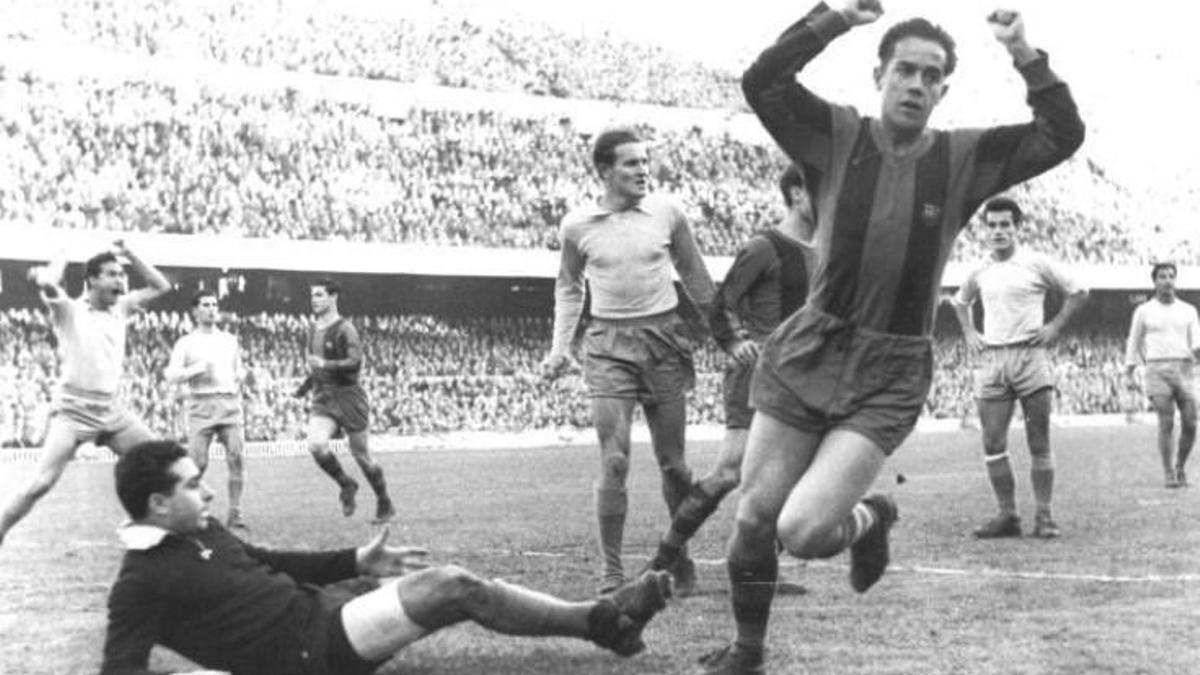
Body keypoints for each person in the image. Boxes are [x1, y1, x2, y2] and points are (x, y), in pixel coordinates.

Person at [701, 2, 1085, 672]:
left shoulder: (963, 156)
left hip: (890, 366)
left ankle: (869, 518)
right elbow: (762, 81)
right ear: (879, 74)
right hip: (810, 350)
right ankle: (748, 650)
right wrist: (835, 16)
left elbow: (1061, 133)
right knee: (754, 520)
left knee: (804, 530)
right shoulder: (834, 135)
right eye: (904, 69)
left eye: (930, 75)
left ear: (943, 90)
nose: (915, 83)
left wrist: (1023, 50)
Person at [99, 440, 674, 675]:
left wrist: (356, 559)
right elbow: (119, 668)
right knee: (453, 586)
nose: (205, 493)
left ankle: (610, 625)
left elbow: (269, 559)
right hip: (311, 651)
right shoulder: (140, 581)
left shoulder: (203, 529)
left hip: (323, 611)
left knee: (451, 593)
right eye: (192, 485)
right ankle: (602, 619)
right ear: (156, 502)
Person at [542, 127, 717, 595]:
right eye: (631, 163)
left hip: (663, 339)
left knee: (674, 467)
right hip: (607, 344)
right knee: (614, 460)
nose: (643, 170)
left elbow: (696, 276)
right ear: (604, 171)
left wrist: (729, 333)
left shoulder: (667, 213)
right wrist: (560, 347)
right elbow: (567, 286)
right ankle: (612, 572)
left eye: (646, 161)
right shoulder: (577, 225)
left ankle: (680, 557)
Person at [646, 165, 812, 595]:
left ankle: (762, 572)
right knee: (729, 472)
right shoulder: (764, 247)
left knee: (787, 475)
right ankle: (663, 562)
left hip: (797, 374)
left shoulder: (820, 250)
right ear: (796, 193)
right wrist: (734, 341)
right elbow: (722, 303)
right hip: (756, 372)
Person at [0, 240, 172, 548]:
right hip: (73, 411)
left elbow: (160, 285)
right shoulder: (69, 310)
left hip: (111, 410)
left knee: (163, 463)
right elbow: (50, 286)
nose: (120, 280)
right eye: (111, 274)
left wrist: (130, 253)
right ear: (91, 279)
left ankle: (152, 525)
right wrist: (59, 258)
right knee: (40, 483)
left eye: (122, 275)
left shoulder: (121, 307)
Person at [951, 196, 1087, 539]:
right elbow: (959, 301)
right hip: (993, 360)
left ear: (1016, 228)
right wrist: (969, 333)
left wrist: (1054, 327)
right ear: (986, 230)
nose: (998, 232)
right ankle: (1007, 515)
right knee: (992, 442)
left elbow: (1078, 291)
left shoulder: (1035, 263)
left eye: (1004, 225)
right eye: (992, 225)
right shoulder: (980, 269)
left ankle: (1044, 515)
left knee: (1038, 440)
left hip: (1030, 357)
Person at [298, 279, 395, 523]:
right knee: (316, 445)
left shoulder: (345, 329)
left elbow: (355, 362)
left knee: (362, 455)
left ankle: (384, 502)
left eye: (319, 295)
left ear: (333, 297)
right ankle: (346, 484)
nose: (314, 300)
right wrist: (306, 384)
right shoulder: (311, 330)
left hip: (349, 396)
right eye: (312, 295)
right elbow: (316, 365)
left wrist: (326, 365)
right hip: (324, 397)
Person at [165, 290, 249, 530]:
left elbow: (238, 369)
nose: (212, 309)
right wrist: (195, 370)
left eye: (214, 304)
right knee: (197, 463)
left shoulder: (229, 340)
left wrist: (242, 376)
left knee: (236, 457)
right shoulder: (186, 342)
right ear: (195, 311)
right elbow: (171, 375)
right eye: (206, 304)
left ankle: (235, 512)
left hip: (229, 403)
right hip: (201, 404)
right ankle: (189, 508)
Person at [1124, 262, 1200, 488]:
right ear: (1154, 281)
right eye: (1162, 276)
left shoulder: (1188, 310)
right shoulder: (1144, 310)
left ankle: (1180, 466)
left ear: (1175, 280)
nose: (1167, 280)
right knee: (1165, 421)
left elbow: (1196, 342)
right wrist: (1129, 371)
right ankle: (1168, 473)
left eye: (1171, 276)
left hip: (1184, 368)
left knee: (1190, 423)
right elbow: (1134, 341)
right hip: (1156, 369)